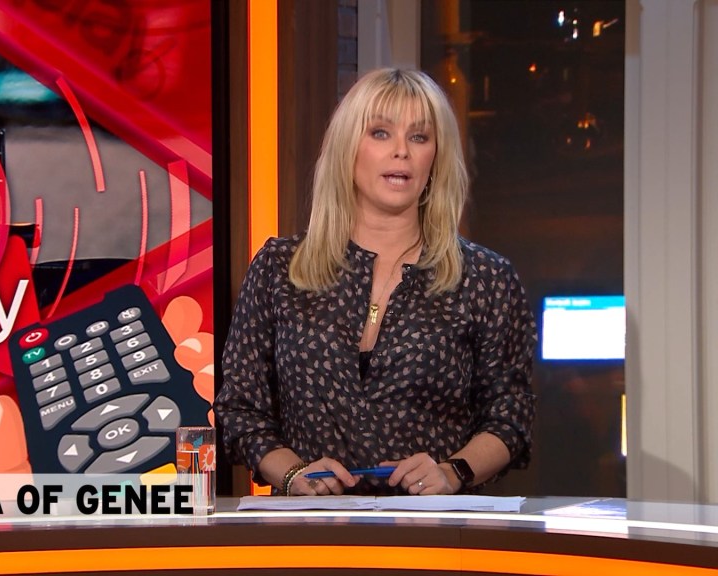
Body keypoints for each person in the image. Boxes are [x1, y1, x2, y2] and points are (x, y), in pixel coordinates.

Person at [214, 68, 536, 497]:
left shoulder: (485, 277)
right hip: (309, 530)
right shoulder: (279, 268)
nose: (401, 151)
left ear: (436, 158)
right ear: (348, 148)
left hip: (432, 528)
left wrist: (453, 471)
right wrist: (293, 475)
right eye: (381, 133)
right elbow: (239, 409)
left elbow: (510, 415)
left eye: (419, 137)